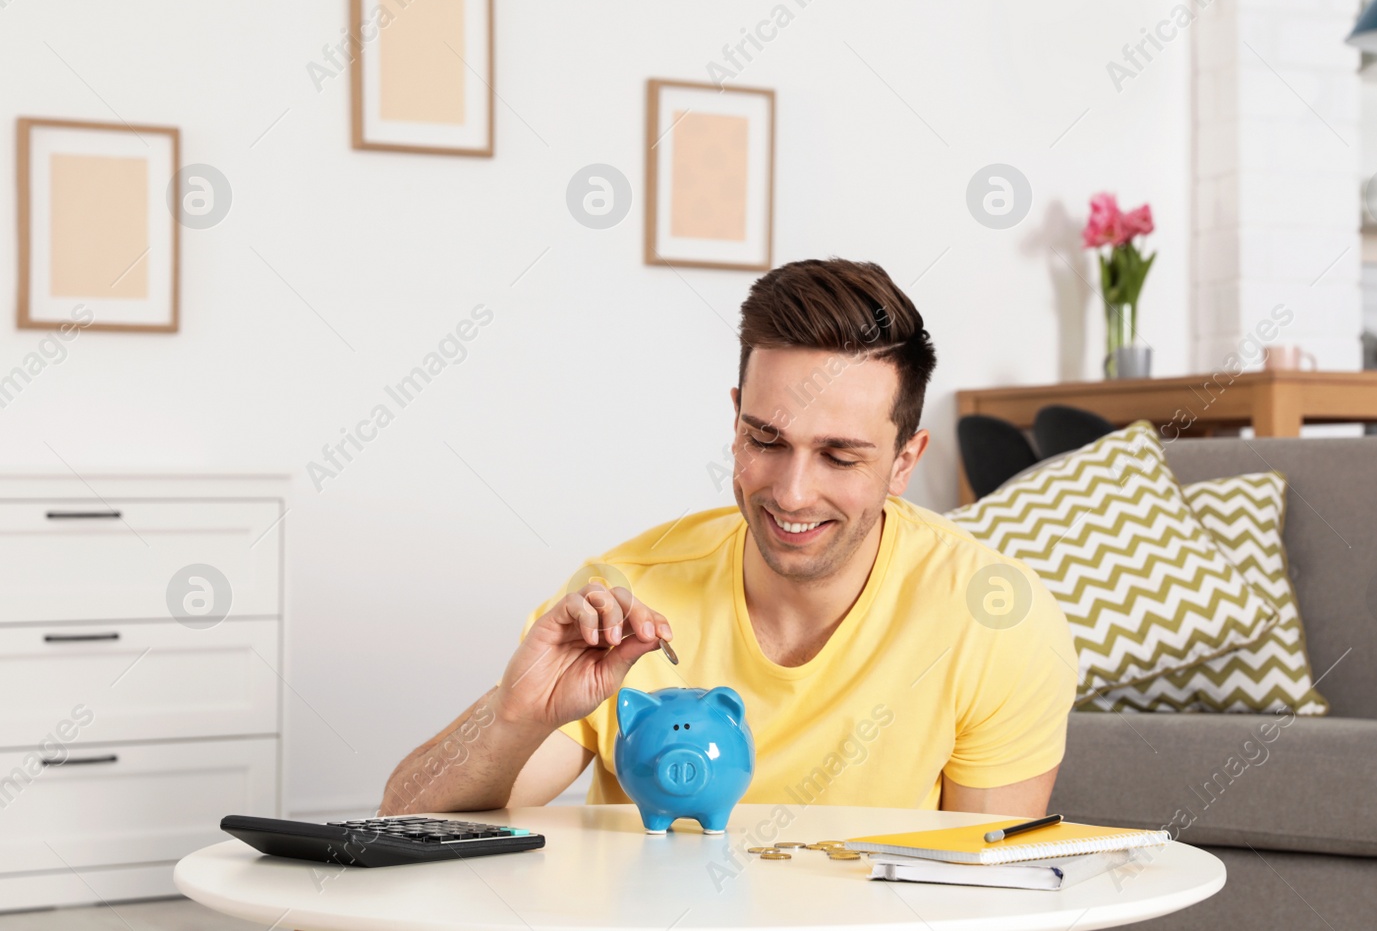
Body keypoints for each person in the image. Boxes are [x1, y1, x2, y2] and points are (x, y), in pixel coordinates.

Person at [381, 258, 1077, 817]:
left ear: (905, 461)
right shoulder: (624, 597)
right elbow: (402, 816)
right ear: (736, 418)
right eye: (766, 439)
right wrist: (515, 714)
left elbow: (988, 890)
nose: (792, 491)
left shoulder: (996, 616)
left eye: (840, 456)